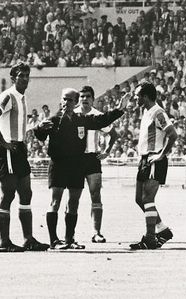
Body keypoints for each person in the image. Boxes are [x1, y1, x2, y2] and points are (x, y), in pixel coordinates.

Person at [34, 88, 126, 250]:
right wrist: (39, 127)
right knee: (55, 202)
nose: (66, 103)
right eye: (64, 99)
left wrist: (119, 110)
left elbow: (102, 120)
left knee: (74, 203)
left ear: (75, 102)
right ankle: (54, 241)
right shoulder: (53, 120)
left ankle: (70, 240)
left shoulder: (82, 120)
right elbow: (40, 136)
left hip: (77, 165)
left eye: (70, 100)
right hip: (58, 165)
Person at [0, 62, 49, 252]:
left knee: (26, 192)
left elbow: (17, 126)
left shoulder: (22, 98)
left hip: (20, 148)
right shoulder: (8, 96)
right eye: (21, 75)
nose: (24, 78)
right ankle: (4, 242)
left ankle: (28, 238)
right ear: (13, 78)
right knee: (9, 193)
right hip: (8, 150)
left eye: (27, 75)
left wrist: (37, 128)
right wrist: (4, 142)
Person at [130, 81, 177, 250]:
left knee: (148, 199)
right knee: (139, 199)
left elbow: (173, 134)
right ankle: (163, 230)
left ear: (145, 96)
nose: (135, 98)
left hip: (154, 159)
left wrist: (161, 154)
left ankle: (150, 237)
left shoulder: (158, 112)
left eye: (137, 95)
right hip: (144, 159)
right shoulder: (147, 112)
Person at [74, 86, 118, 243]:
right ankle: (70, 234)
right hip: (76, 159)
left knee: (95, 195)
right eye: (82, 96)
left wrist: (106, 151)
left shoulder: (98, 116)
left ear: (93, 99)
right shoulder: (73, 115)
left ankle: (96, 232)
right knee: (74, 197)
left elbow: (114, 134)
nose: (84, 99)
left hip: (93, 159)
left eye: (87, 96)